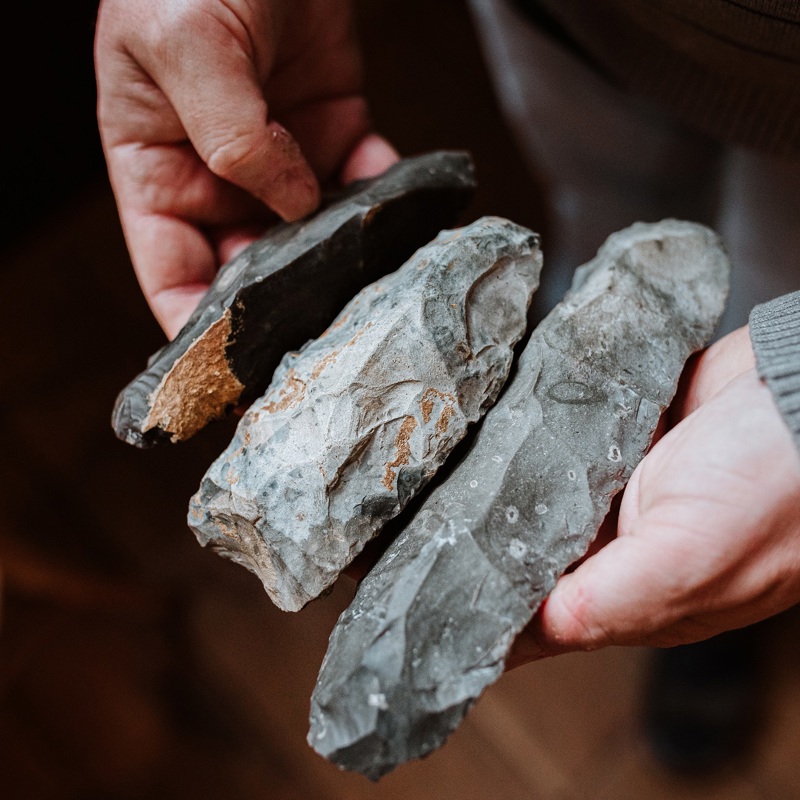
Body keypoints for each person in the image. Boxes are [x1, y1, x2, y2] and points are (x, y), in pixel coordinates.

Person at [95, 0, 800, 770]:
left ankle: (737, 541)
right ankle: (577, 337)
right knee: (602, 187)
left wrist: (792, 390)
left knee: (773, 270)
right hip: (581, 21)